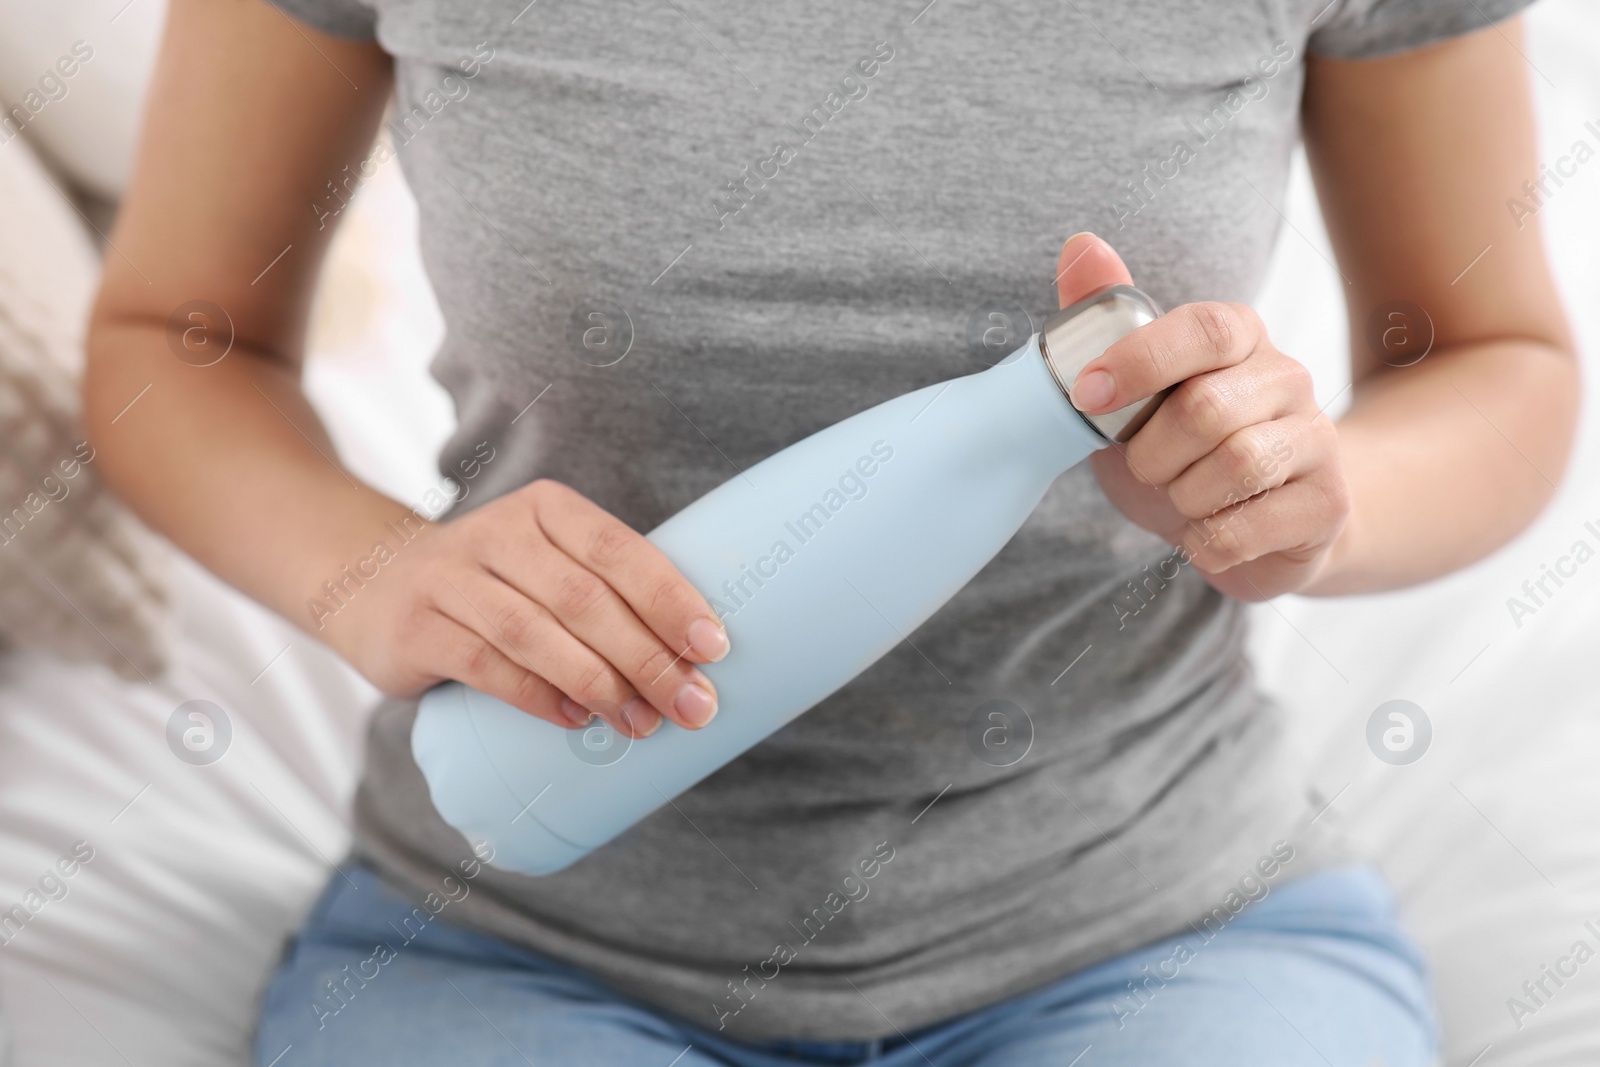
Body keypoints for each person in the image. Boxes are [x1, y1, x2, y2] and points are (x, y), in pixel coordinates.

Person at [84, 0, 1575, 1063]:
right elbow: (176, 336)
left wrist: (1317, 499)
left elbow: (1489, 355)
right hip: (517, 945)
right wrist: (369, 574)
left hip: (1159, 927)